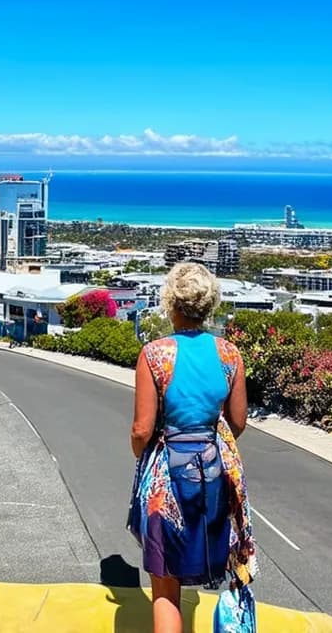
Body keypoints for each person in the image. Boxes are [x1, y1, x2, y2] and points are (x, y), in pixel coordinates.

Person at [129, 262, 257, 633]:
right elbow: (237, 422)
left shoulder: (155, 354)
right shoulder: (229, 354)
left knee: (165, 587)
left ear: (170, 303)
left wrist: (142, 454)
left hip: (167, 477)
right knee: (208, 560)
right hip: (213, 473)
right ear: (210, 304)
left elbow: (142, 428)